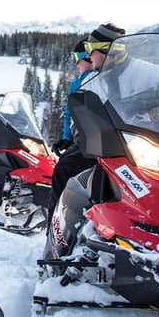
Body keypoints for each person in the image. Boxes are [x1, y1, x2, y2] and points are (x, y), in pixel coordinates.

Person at [47, 22, 126, 221]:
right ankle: (55, 226)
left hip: (130, 144)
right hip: (97, 144)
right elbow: (72, 114)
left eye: (85, 54)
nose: (85, 59)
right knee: (63, 169)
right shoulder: (88, 80)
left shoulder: (132, 74)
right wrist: (69, 137)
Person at [51, 38, 95, 156]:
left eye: (76, 58)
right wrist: (67, 137)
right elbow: (69, 113)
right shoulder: (76, 83)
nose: (76, 64)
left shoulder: (103, 78)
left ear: (87, 57)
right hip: (83, 141)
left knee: (62, 169)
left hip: (99, 143)